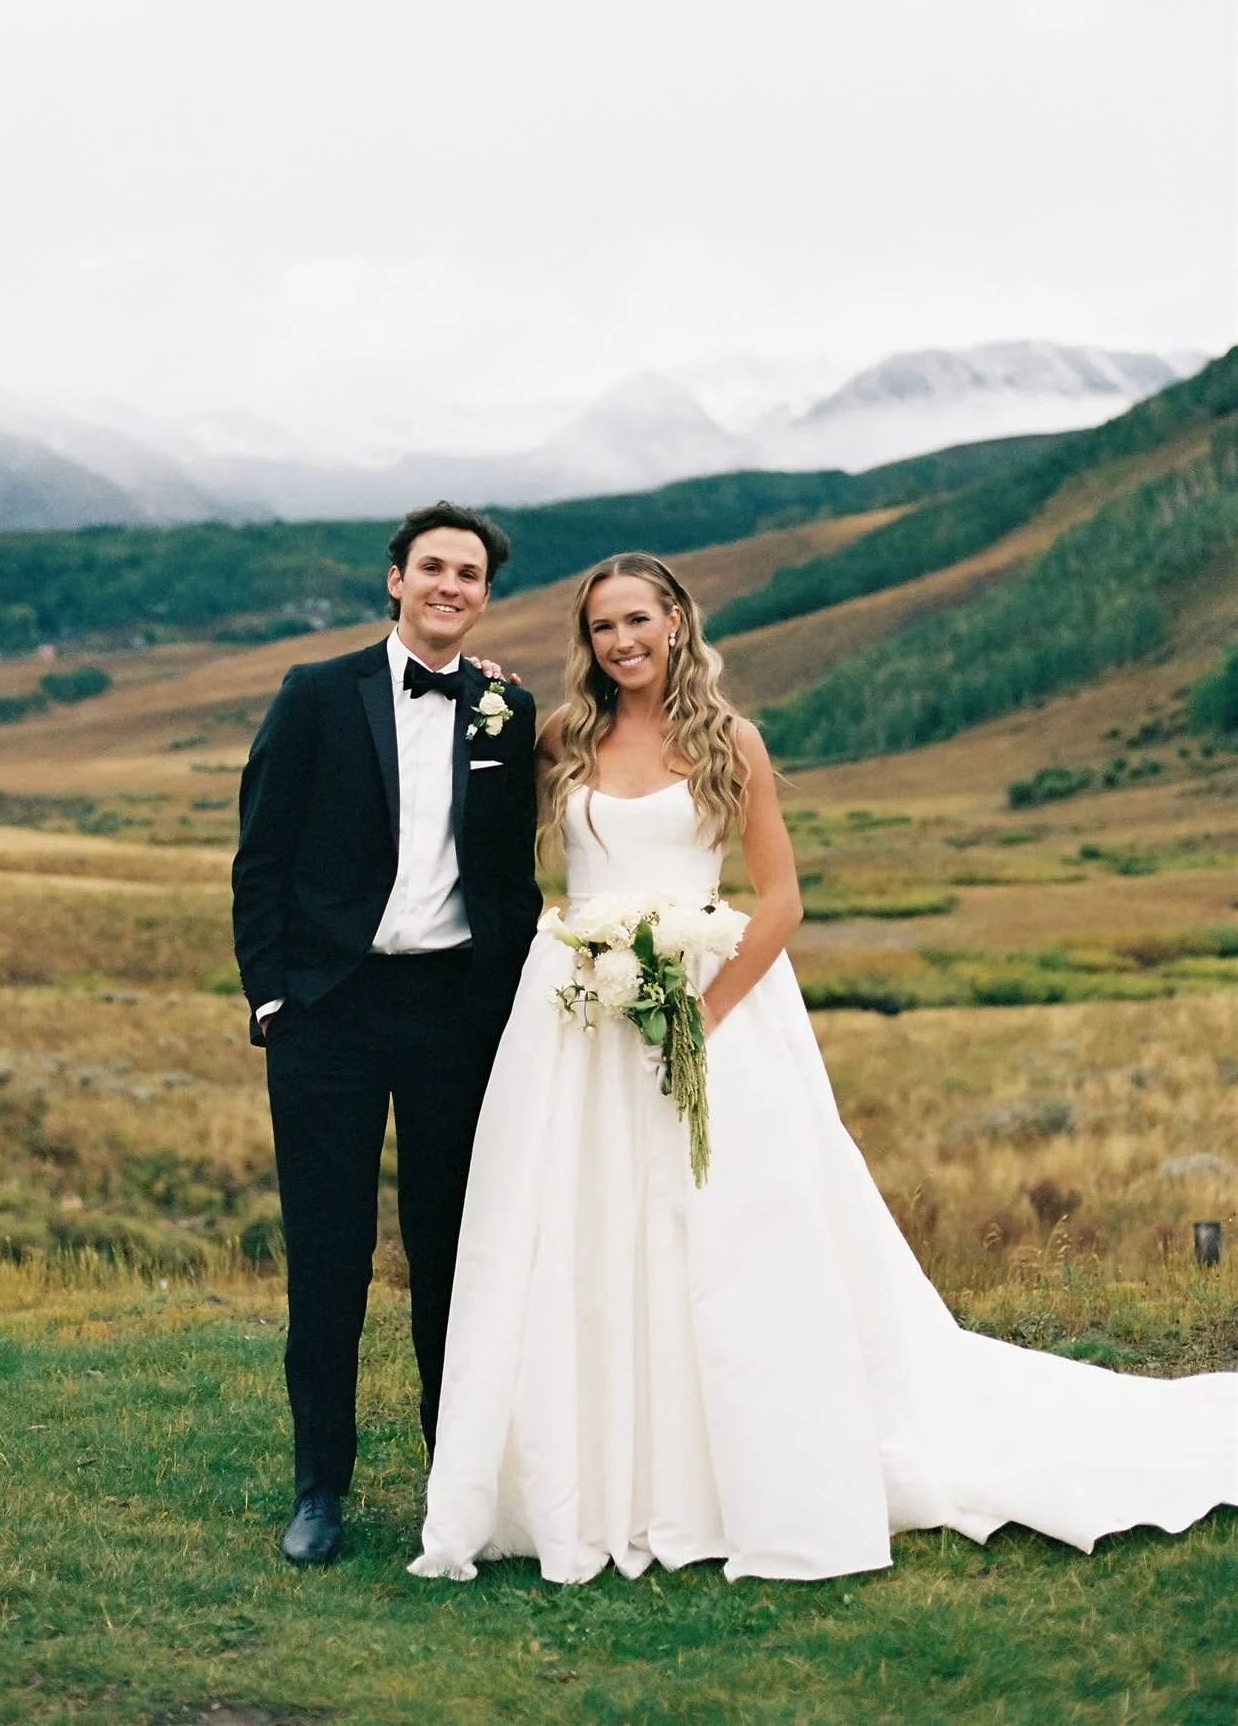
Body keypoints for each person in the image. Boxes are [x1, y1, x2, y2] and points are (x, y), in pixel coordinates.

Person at [409, 550, 1238, 1585]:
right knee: (579, 1236)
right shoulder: (561, 739)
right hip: (575, 1018)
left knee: (720, 1239)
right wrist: (474, 696)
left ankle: (728, 1476)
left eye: (634, 619)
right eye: (598, 627)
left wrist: (699, 1014)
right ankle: (590, 1477)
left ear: (674, 619)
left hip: (706, 1016)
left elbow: (781, 898)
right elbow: (481, 830)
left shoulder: (728, 739)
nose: (617, 641)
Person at [232, 502, 542, 1567]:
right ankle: (319, 1486)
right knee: (326, 1257)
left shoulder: (508, 705)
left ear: (484, 595)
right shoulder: (317, 694)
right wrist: (272, 993)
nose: (450, 584)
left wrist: (512, 1002)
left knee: (451, 1254)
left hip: (453, 1013)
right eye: (433, 567)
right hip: (330, 1009)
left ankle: (445, 1484)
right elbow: (261, 848)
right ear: (394, 580)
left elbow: (508, 878)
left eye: (469, 572)